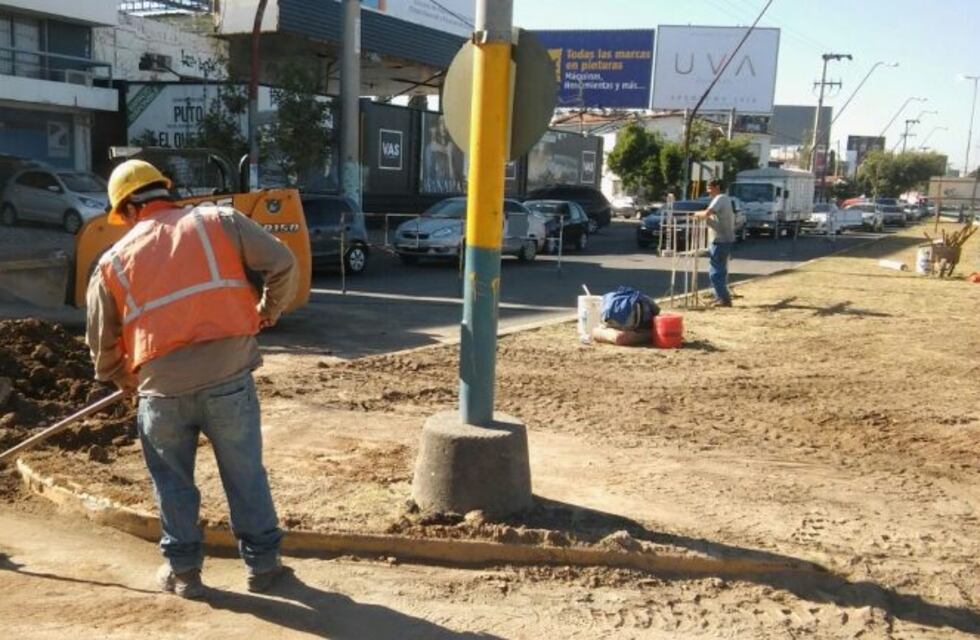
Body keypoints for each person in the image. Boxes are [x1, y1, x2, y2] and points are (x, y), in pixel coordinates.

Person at [86, 159, 298, 599]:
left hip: (161, 392)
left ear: (125, 210)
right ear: (166, 190)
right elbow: (283, 263)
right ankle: (264, 568)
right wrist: (268, 309)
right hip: (229, 379)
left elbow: (101, 341)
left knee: (172, 482)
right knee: (245, 473)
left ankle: (184, 574)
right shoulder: (218, 220)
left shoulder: (111, 262)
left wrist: (121, 378)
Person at [694, 178, 736, 307]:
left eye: (709, 187)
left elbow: (707, 213)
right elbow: (712, 218)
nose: (708, 191)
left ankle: (724, 299)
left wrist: (696, 214)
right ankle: (721, 297)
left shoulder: (720, 198)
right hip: (724, 239)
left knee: (715, 273)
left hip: (721, 240)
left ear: (717, 187)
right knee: (720, 272)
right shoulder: (725, 199)